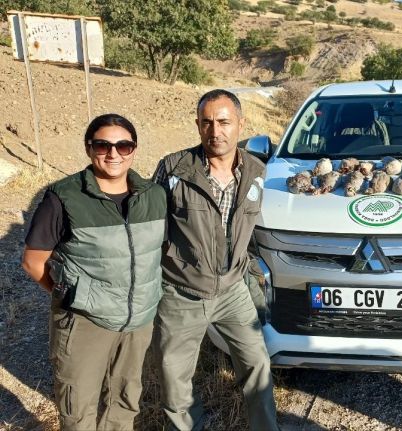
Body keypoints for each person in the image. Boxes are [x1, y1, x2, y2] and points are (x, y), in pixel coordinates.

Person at [21, 114, 167, 430]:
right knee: (78, 409)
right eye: (103, 145)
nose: (113, 153)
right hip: (85, 323)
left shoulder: (154, 196)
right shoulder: (64, 196)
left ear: (134, 150)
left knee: (125, 402)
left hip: (137, 321)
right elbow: (33, 261)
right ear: (89, 149)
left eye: (123, 145)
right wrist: (74, 294)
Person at [152, 89, 278, 431]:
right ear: (197, 125)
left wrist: (252, 271)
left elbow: (249, 230)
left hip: (232, 291)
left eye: (223, 122)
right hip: (182, 293)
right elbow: (152, 230)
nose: (215, 131)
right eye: (206, 122)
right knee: (175, 381)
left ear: (240, 124)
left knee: (257, 366)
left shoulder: (256, 171)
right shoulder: (173, 168)